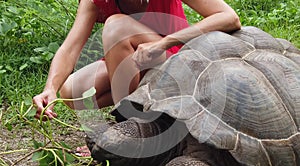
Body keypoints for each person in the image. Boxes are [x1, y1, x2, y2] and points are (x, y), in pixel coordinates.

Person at [33, 0, 241, 156]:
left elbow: (229, 17)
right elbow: (70, 48)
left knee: (117, 26)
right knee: (71, 91)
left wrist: (165, 42)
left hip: (173, 62)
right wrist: (50, 88)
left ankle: (128, 132)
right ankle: (132, 121)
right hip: (129, 63)